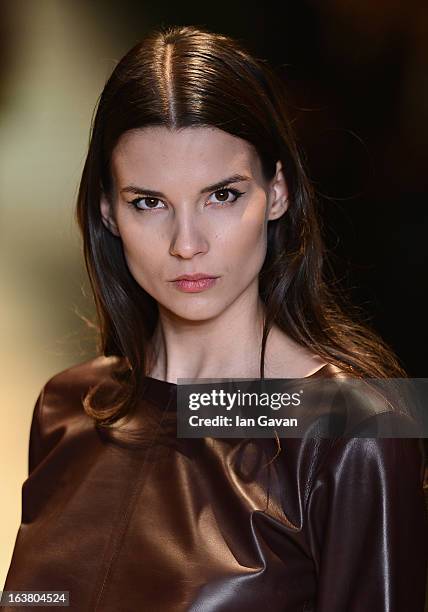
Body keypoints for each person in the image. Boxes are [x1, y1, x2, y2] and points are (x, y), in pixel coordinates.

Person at [3, 25, 427, 612]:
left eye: (221, 195)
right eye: (149, 202)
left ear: (277, 192)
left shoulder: (348, 430)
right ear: (107, 210)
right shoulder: (66, 409)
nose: (187, 243)